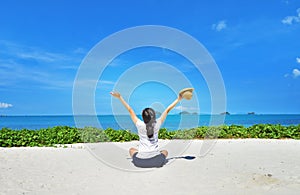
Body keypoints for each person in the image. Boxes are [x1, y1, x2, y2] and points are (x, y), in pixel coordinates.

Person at [110, 91, 183, 168]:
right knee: (165, 151)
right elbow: (167, 110)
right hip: (157, 161)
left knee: (131, 150)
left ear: (143, 116)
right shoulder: (157, 123)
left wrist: (119, 97)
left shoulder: (139, 124)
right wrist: (178, 99)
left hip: (140, 162)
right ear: (154, 116)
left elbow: (130, 110)